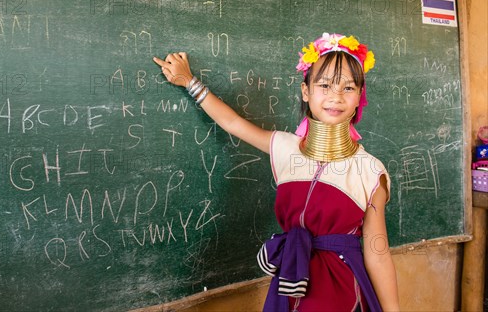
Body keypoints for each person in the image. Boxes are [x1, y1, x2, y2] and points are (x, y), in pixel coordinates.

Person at [153, 33, 400, 311]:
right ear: (306, 92)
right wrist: (189, 81)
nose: (335, 96)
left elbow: (378, 253)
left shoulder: (370, 170)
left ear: (359, 97)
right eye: (324, 85)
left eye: (348, 88)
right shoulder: (285, 148)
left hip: (343, 289)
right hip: (291, 277)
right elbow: (233, 123)